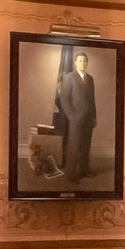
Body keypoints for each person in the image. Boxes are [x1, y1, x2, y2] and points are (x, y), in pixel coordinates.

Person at [52, 46, 101, 182]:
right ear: (75, 62)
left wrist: (94, 117)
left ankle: (84, 170)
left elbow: (92, 100)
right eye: (80, 61)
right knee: (73, 146)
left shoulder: (90, 79)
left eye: (85, 61)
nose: (83, 63)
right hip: (75, 119)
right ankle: (71, 174)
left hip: (88, 118)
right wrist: (71, 115)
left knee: (86, 145)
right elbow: (64, 98)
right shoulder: (69, 77)